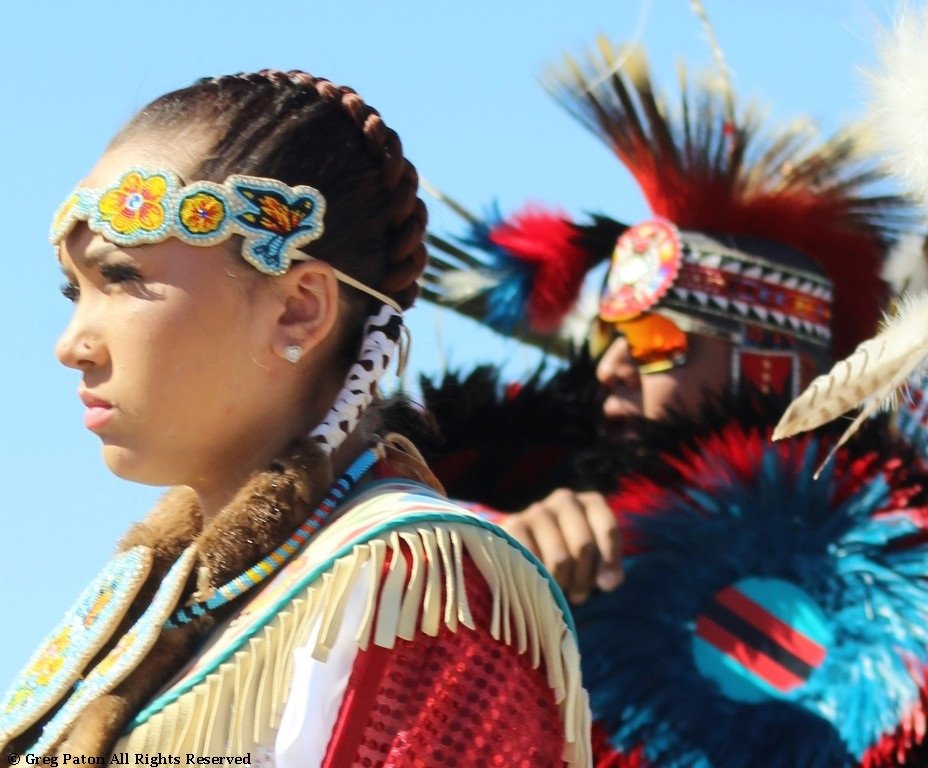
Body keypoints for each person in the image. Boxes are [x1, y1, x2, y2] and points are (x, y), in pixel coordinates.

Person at [0, 70, 590, 767]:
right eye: (75, 292)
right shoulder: (148, 607)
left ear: (298, 309)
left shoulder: (421, 595)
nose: (72, 345)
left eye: (123, 279)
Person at [410, 32, 928, 766]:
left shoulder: (900, 549)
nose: (613, 367)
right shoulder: (495, 494)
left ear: (768, 370)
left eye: (654, 340)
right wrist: (485, 545)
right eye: (604, 339)